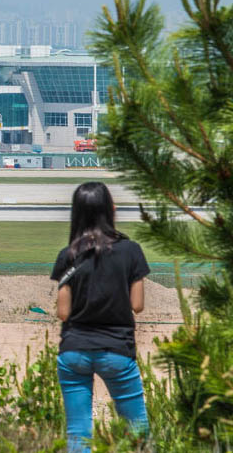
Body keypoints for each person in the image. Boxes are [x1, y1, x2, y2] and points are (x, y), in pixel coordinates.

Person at [50, 182, 150, 452]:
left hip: (74, 350)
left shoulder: (68, 255)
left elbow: (63, 312)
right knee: (136, 430)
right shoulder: (131, 251)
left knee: (78, 433)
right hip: (116, 348)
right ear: (111, 210)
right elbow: (137, 305)